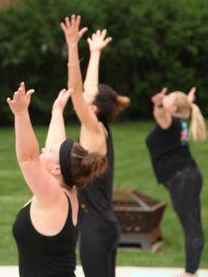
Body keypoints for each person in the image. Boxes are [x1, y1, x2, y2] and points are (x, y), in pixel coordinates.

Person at [8, 82, 107, 277]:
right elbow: (55, 144)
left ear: (56, 169)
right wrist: (57, 112)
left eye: (50, 151)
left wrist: (21, 115)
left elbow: (28, 159)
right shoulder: (66, 189)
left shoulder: (53, 197)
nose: (45, 149)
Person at [78, 29, 130, 277]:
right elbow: (88, 89)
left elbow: (80, 90)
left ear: (94, 107)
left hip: (96, 228)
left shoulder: (93, 129)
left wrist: (72, 53)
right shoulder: (98, 126)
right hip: (104, 224)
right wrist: (95, 53)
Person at [145, 86, 207, 277]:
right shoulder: (180, 121)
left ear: (173, 109)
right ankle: (192, 270)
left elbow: (161, 116)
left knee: (191, 225)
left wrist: (157, 104)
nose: (165, 98)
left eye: (169, 98)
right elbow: (180, 109)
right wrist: (185, 100)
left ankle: (190, 273)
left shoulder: (170, 122)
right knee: (193, 223)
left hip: (182, 179)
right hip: (188, 176)